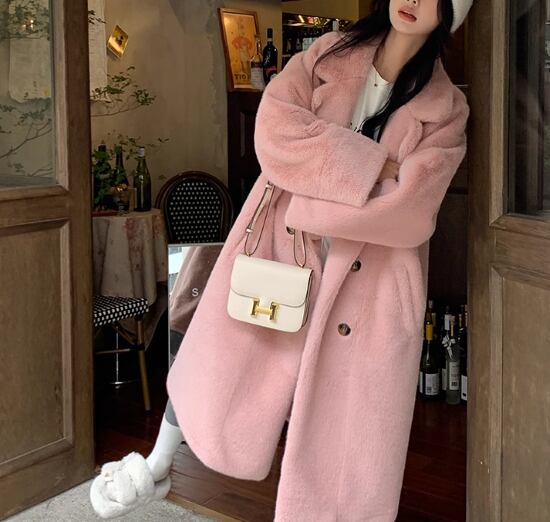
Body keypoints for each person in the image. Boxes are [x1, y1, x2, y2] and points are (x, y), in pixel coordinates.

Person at [90, 0, 474, 519]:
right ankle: (158, 463)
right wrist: (377, 166)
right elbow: (273, 136)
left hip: (373, 281)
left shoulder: (446, 109)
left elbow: (411, 212)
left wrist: (310, 193)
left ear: (450, 13)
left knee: (346, 417)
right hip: (281, 246)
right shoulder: (327, 55)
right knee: (220, 356)